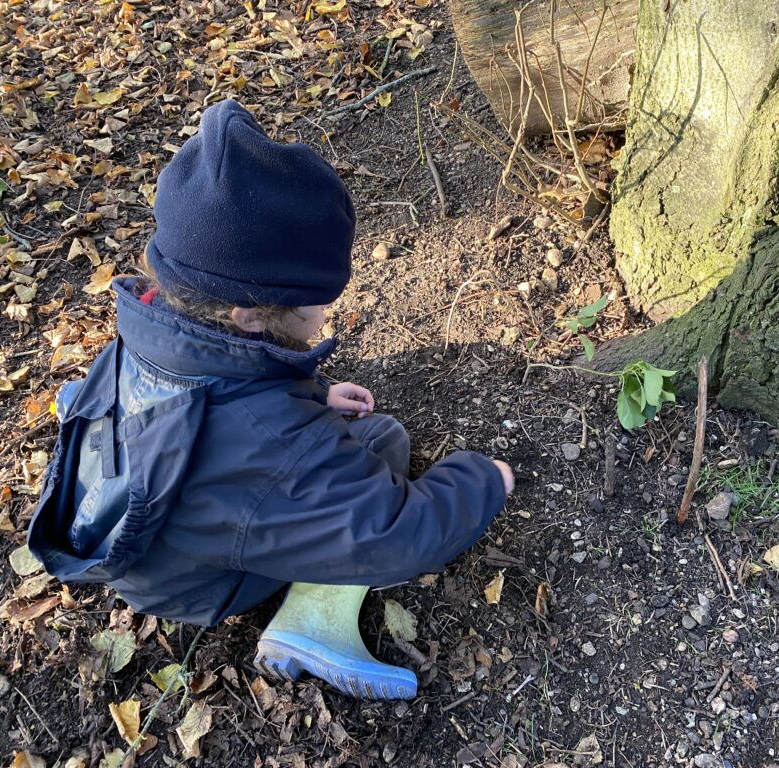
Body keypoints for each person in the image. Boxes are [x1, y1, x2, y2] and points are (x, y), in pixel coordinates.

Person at [27, 99, 514, 700]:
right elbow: (393, 534)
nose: (326, 310)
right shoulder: (277, 442)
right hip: (194, 586)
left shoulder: (151, 323)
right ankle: (312, 623)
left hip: (138, 528)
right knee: (384, 441)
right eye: (316, 301)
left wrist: (312, 392)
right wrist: (483, 480)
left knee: (371, 435)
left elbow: (230, 385)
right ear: (252, 316)